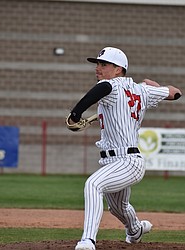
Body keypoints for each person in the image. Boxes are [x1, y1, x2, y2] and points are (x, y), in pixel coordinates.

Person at [67, 47, 182, 250]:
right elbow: (176, 93)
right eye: (97, 64)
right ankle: (135, 229)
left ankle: (87, 240)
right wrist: (156, 88)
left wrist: (76, 113)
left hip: (128, 160)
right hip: (113, 161)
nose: (98, 68)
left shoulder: (109, 86)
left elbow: (98, 92)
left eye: (104, 64)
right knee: (118, 208)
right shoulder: (142, 90)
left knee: (93, 185)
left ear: (119, 69)